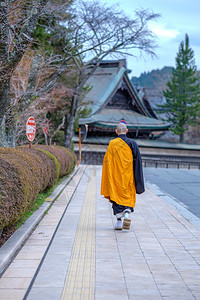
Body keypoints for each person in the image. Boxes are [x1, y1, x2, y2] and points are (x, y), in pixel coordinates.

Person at [101, 121, 145, 230]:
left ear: (116, 131)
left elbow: (107, 161)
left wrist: (108, 175)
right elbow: (137, 161)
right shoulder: (132, 143)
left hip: (115, 178)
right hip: (128, 177)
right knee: (128, 195)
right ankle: (127, 212)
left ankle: (119, 222)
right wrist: (138, 179)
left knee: (116, 196)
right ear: (127, 131)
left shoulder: (112, 143)